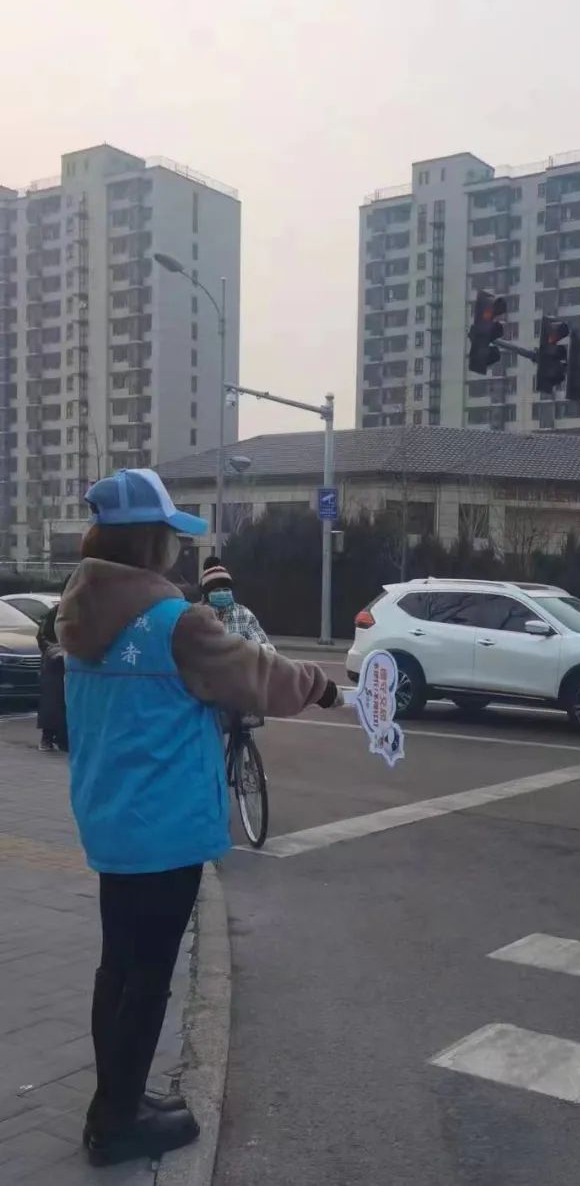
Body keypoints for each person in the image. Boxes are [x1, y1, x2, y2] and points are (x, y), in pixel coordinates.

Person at [57, 468, 342, 1167]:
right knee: (146, 977)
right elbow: (259, 675)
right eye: (170, 538)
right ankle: (115, 1123)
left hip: (111, 819)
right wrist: (322, 686)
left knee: (118, 967)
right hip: (164, 826)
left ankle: (117, 1097)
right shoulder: (177, 623)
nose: (177, 551)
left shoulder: (80, 614)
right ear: (151, 543)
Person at [199, 559, 269, 645]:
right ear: (207, 595)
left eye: (226, 590)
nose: (222, 593)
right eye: (217, 590)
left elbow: (264, 645)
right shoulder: (198, 616)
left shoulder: (243, 614)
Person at [36, 590, 68, 752]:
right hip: (55, 665)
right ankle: (47, 737)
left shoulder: (85, 611)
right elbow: (42, 636)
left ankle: (64, 740)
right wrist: (55, 650)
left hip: (75, 664)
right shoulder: (55, 612)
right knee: (52, 702)